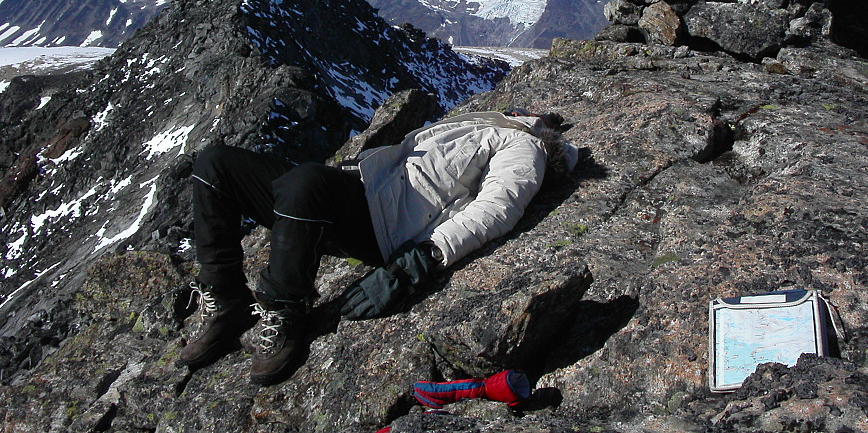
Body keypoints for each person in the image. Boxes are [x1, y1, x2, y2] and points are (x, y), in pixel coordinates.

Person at [177, 110, 575, 385]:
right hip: (360, 191)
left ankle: (285, 310)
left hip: (378, 223)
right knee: (214, 164)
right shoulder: (488, 124)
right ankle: (225, 298)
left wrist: (422, 258)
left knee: (307, 181)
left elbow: (495, 208)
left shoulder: (525, 146)